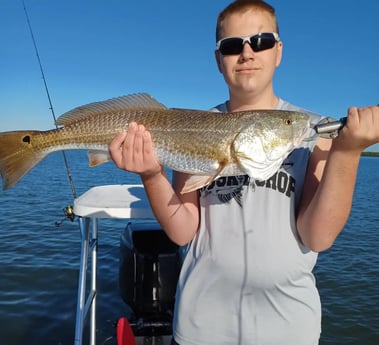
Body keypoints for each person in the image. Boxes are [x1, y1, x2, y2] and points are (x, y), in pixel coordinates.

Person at [109, 1, 379, 344]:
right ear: (218, 60)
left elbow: (318, 237)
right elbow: (182, 230)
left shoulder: (311, 131)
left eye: (262, 41)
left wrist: (348, 152)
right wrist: (151, 174)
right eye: (233, 46)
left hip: (289, 329)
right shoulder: (191, 127)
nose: (248, 53)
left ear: (278, 51)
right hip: (200, 328)